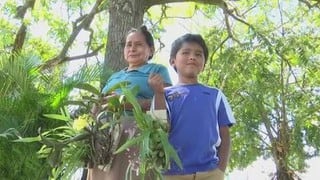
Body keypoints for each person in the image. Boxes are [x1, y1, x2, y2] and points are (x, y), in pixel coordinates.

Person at [87, 25, 172, 180]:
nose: (132, 48)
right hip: (104, 138)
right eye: (129, 44)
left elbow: (169, 103)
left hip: (135, 135)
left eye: (138, 44)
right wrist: (88, 124)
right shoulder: (114, 77)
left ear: (151, 50)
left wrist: (125, 104)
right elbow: (100, 102)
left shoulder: (157, 70)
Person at [149, 33, 235, 180]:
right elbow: (160, 129)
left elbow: (225, 135)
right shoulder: (164, 95)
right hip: (172, 174)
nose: (192, 57)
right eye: (185, 52)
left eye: (198, 54)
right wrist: (158, 93)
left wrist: (220, 170)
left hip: (210, 172)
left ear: (204, 64)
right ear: (173, 61)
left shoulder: (216, 95)